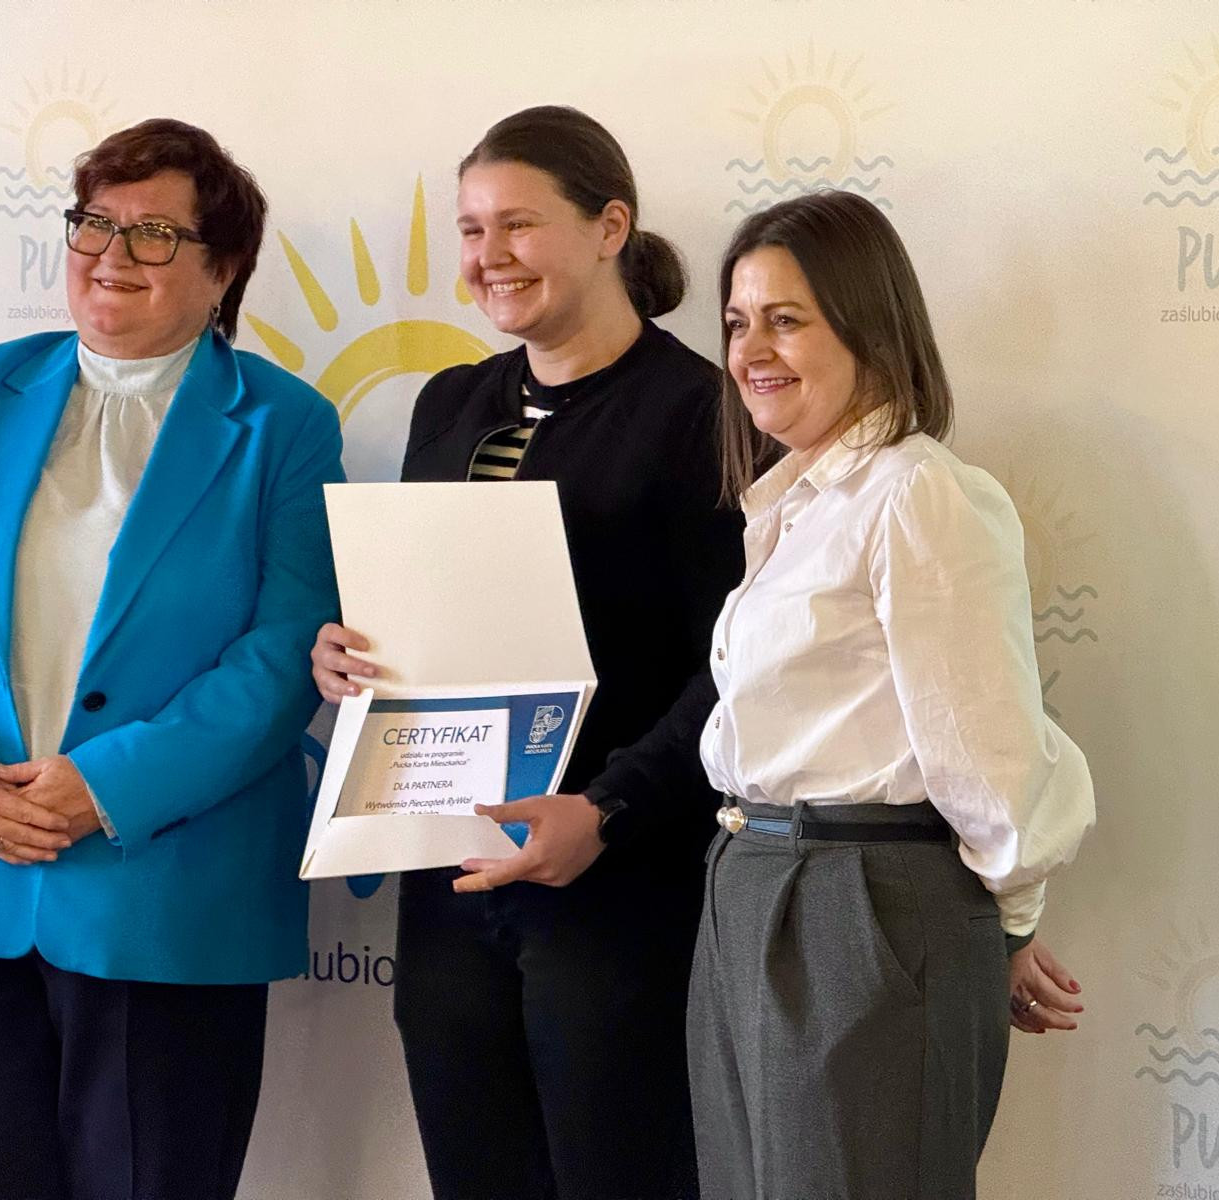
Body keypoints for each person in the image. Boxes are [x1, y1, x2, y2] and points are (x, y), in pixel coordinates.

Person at [0, 118, 342, 1200]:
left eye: (155, 234)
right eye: (94, 224)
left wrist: (106, 786)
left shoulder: (285, 425)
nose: (112, 256)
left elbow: (283, 653)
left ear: (223, 268)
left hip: (169, 898)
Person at [592, 189, 1095, 1200]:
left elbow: (985, 751)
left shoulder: (917, 492)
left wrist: (1010, 922)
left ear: (868, 325)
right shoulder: (789, 506)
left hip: (863, 899)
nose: (750, 351)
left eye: (786, 319)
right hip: (746, 879)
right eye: (737, 322)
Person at [311, 106, 744, 1200]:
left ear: (610, 228)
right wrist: (350, 655)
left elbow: (739, 667)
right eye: (470, 229)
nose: (488, 255)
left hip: (617, 887)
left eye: (517, 224)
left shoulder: (705, 412)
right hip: (450, 876)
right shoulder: (450, 402)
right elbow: (423, 613)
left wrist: (609, 809)